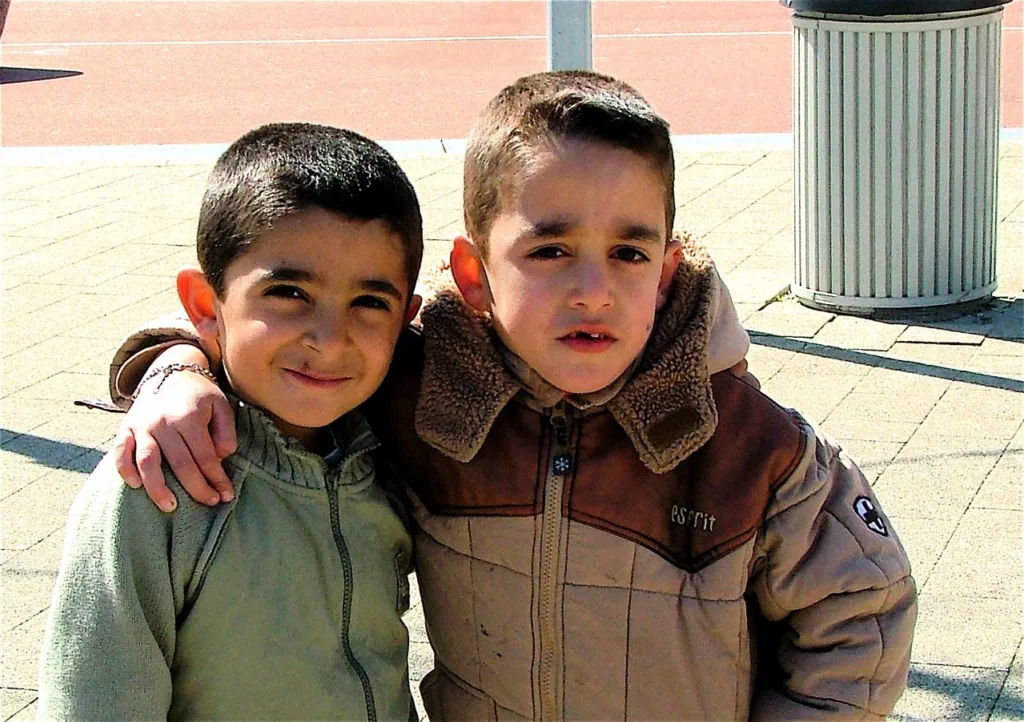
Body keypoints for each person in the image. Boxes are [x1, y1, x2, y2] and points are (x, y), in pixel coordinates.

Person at [103, 72, 917, 720]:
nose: (593, 290)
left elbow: (865, 613)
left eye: (629, 253)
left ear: (667, 273)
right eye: (551, 250)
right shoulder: (425, 389)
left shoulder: (748, 445)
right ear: (473, 275)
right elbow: (264, 337)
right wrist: (177, 368)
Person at [38, 122, 424, 721]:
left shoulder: (395, 451)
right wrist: (175, 365)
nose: (330, 339)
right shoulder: (153, 482)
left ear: (406, 318)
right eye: (289, 293)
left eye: (370, 302)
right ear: (204, 305)